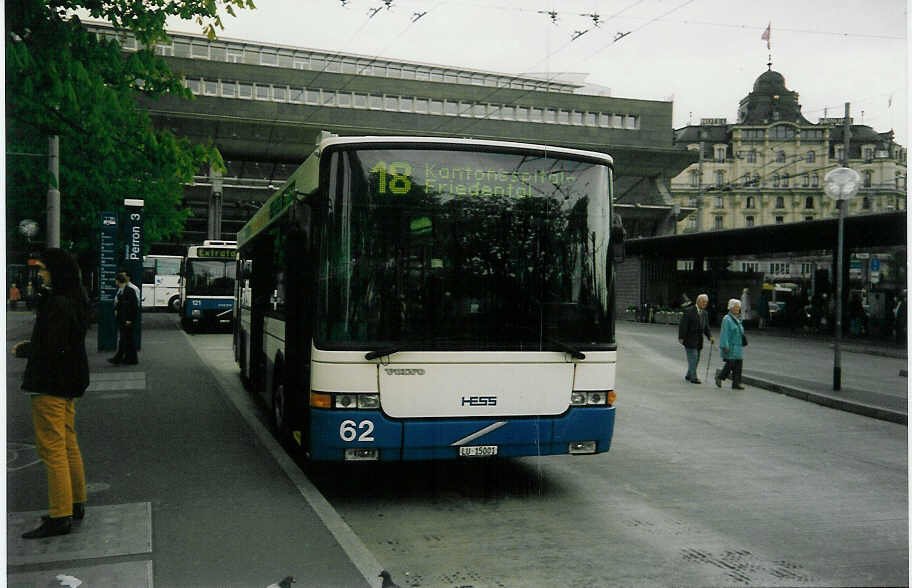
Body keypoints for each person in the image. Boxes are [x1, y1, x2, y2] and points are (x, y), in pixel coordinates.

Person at [11, 249, 90, 538]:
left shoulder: (57, 303)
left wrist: (25, 349)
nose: (41, 274)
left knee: (52, 448)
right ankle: (75, 502)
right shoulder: (76, 298)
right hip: (69, 381)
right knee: (68, 443)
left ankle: (60, 515)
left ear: (57, 271)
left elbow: (51, 346)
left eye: (44, 269)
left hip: (50, 382)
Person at [678, 293, 714, 384]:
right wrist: (681, 337)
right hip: (689, 339)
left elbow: (706, 327)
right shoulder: (689, 311)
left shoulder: (705, 313)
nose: (705, 304)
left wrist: (710, 336)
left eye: (706, 302)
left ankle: (689, 374)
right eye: (703, 302)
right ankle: (693, 377)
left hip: (699, 340)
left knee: (696, 359)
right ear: (698, 301)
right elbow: (683, 325)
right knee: (693, 358)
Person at [109, 272, 139, 365]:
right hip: (122, 319)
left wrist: (130, 319)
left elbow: (134, 306)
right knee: (128, 339)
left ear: (118, 281)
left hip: (127, 319)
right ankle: (130, 359)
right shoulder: (122, 290)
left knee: (124, 339)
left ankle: (119, 358)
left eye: (116, 281)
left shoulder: (130, 291)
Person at [716, 298, 746, 390]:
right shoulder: (727, 319)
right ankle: (720, 377)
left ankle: (736, 383)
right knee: (730, 364)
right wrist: (725, 345)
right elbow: (724, 333)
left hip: (738, 346)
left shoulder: (738, 318)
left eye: (738, 307)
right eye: (735, 307)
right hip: (731, 346)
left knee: (738, 364)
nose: (737, 309)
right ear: (730, 308)